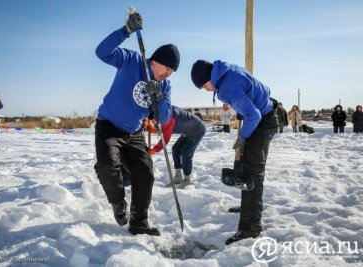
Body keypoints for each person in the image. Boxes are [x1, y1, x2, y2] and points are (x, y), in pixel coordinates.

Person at [94, 10, 180, 236]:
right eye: (168, 69)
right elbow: (101, 52)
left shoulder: (164, 86)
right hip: (108, 126)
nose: (169, 75)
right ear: (157, 62)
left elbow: (163, 117)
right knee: (106, 167)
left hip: (134, 132)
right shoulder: (131, 60)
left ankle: (139, 223)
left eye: (172, 72)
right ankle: (118, 202)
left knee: (145, 174)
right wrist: (126, 31)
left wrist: (158, 98)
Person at [191, 60, 278, 245]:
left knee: (252, 174)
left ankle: (250, 228)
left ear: (209, 78)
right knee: (246, 168)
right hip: (264, 115)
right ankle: (248, 206)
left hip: (262, 122)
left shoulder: (227, 86)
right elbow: (253, 92)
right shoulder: (226, 71)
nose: (207, 90)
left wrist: (243, 137)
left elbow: (254, 115)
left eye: (205, 86)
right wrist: (242, 110)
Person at [150, 106, 206, 187]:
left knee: (186, 153)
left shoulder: (168, 117)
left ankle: (187, 179)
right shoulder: (164, 111)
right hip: (187, 130)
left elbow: (165, 138)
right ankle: (178, 176)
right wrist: (155, 128)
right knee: (175, 149)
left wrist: (155, 150)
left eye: (154, 120)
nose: (153, 122)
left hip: (198, 129)